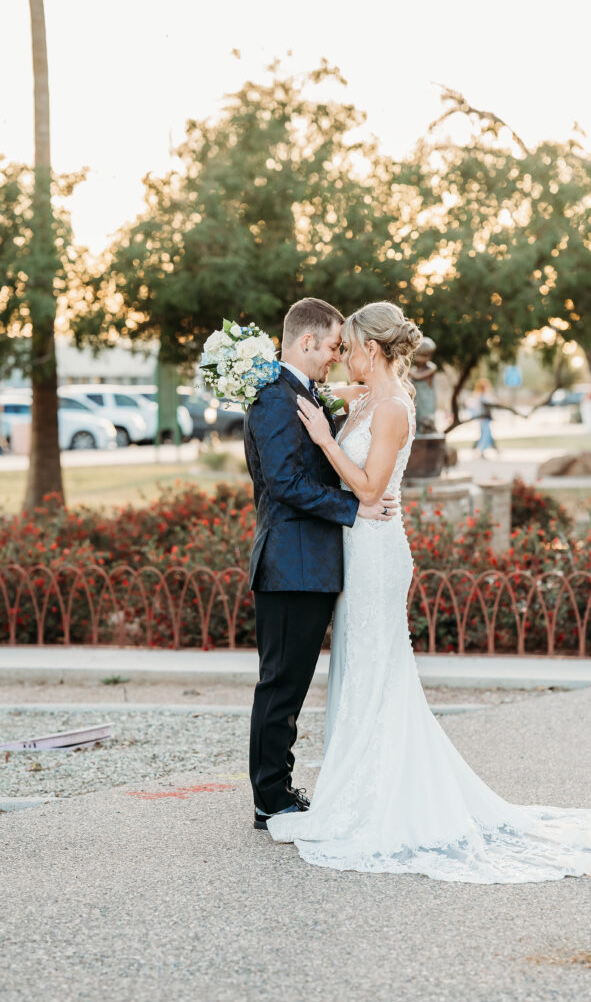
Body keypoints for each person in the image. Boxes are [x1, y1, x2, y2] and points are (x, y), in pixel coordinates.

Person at [266, 300, 591, 884]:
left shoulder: (392, 409)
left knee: (376, 666)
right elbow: (316, 409)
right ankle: (354, 783)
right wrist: (302, 398)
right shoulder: (364, 401)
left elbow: (367, 488)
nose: (343, 356)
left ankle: (382, 794)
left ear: (375, 350)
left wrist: (325, 441)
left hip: (378, 550)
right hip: (354, 551)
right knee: (358, 668)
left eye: (352, 346)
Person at [244, 298, 397, 829]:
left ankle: (279, 787)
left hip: (309, 564)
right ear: (306, 343)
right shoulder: (272, 398)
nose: (336, 356)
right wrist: (356, 508)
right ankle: (270, 797)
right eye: (333, 346)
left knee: (292, 683)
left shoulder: (300, 392)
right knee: (281, 684)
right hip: (290, 565)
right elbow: (285, 484)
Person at [468, 377, 497, 456]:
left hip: (486, 418)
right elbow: (472, 407)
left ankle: (491, 448)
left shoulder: (485, 395)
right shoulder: (478, 396)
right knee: (485, 434)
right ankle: (482, 450)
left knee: (487, 434)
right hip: (482, 418)